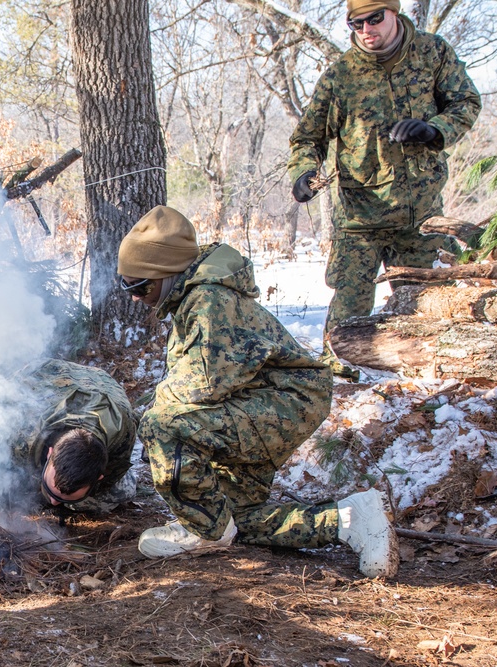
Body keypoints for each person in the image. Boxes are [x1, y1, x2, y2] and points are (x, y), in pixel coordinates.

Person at [117, 205, 399, 578]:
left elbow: (202, 384)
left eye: (139, 286)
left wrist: (149, 423)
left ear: (165, 274)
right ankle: (349, 519)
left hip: (284, 401)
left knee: (161, 427)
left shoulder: (209, 302)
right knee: (235, 518)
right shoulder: (195, 300)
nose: (135, 297)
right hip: (264, 401)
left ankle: (204, 531)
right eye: (127, 286)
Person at [288, 0, 481, 379]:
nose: (365, 30)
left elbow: (466, 102)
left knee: (429, 313)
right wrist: (304, 173)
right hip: (361, 220)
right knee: (346, 326)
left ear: (393, 13)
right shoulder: (341, 75)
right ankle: (342, 393)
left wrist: (435, 129)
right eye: (356, 24)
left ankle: (428, 389)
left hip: (421, 217)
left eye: (374, 19)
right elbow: (308, 137)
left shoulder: (432, 52)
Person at [11, 358, 138, 513]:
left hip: (102, 383)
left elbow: (112, 476)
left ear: (99, 477)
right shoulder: (22, 428)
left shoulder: (122, 436)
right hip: (48, 376)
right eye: (52, 493)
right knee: (10, 485)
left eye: (60, 498)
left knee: (119, 494)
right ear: (50, 453)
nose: (53, 502)